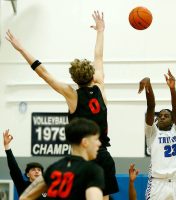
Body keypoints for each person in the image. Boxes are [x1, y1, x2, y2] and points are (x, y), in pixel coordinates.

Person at [6, 10, 118, 199]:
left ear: (74, 79)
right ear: (92, 75)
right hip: (103, 155)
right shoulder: (100, 86)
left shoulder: (72, 94)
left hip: (80, 156)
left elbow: (43, 72)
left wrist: (22, 49)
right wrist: (101, 31)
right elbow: (98, 56)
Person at [19, 118, 105, 200]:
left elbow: (24, 197)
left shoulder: (53, 168)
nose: (99, 143)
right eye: (96, 139)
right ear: (85, 142)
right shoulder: (93, 170)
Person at [139, 69, 176, 199]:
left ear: (172, 119)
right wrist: (148, 85)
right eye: (160, 115)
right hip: (157, 184)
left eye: (166, 115)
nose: (162, 117)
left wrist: (172, 89)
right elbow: (151, 107)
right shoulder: (152, 133)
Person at [2, 130, 46, 199]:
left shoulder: (46, 188)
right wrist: (7, 147)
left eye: (39, 170)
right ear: (28, 174)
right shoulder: (23, 185)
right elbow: (14, 169)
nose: (37, 171)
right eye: (33, 170)